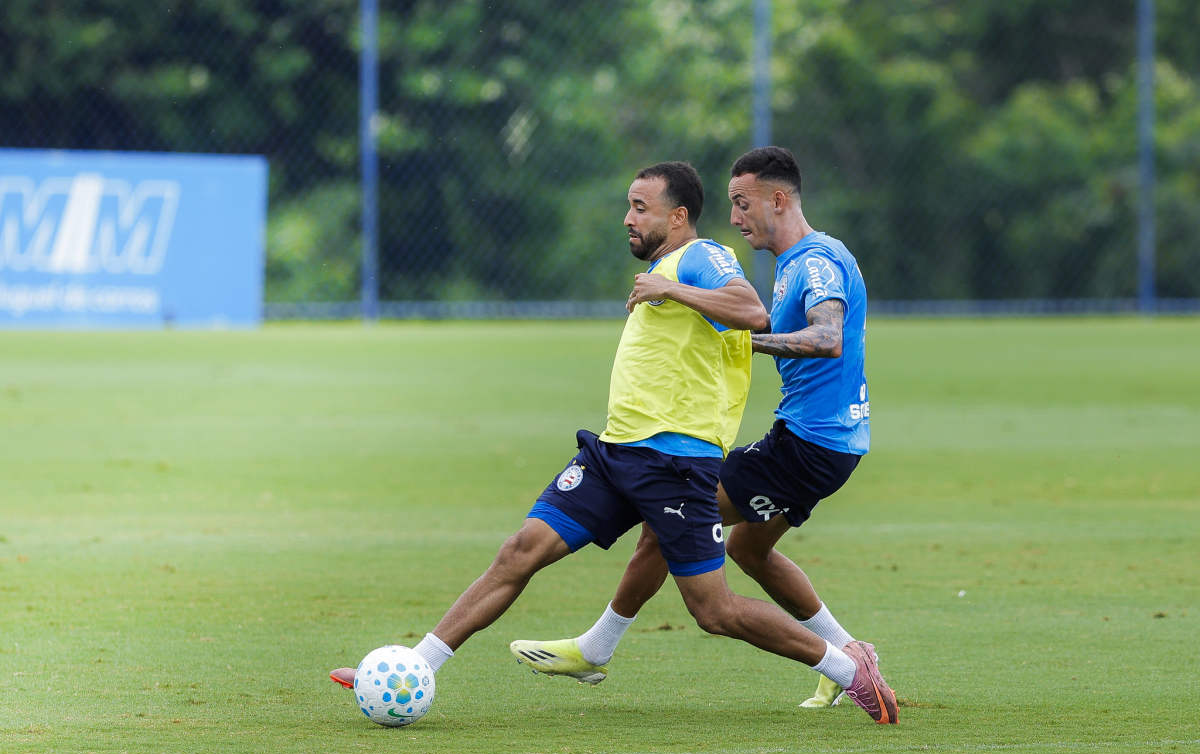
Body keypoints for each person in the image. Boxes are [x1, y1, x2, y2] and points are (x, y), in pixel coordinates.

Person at [330, 159, 898, 724]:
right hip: (614, 453)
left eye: (640, 208)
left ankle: (847, 667)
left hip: (675, 464)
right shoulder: (670, 268)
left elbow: (751, 311)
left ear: (677, 216)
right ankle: (417, 666)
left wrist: (670, 290)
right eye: (628, 206)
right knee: (521, 550)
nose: (628, 218)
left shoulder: (701, 256)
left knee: (714, 610)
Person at [510, 146, 885, 714]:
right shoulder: (796, 262)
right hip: (824, 442)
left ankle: (597, 648)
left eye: (743, 203)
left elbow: (826, 337)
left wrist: (738, 340)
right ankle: (847, 653)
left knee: (670, 522)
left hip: (810, 444)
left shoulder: (814, 262)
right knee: (748, 549)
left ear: (777, 200)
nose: (734, 217)